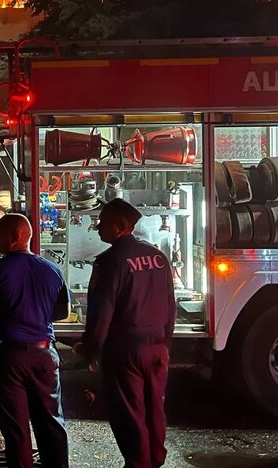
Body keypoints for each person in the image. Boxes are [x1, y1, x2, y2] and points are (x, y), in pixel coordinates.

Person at [74, 198, 176, 468]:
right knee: (155, 409)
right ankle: (154, 460)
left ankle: (138, 464)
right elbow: (170, 305)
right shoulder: (158, 257)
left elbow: (101, 312)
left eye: (102, 223)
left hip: (125, 351)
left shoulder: (110, 262)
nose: (97, 229)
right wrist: (165, 344)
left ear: (120, 227)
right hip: (157, 348)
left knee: (129, 413)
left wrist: (91, 349)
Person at [0, 213, 71, 468]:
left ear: (14, 238)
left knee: (17, 431)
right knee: (52, 425)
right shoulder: (52, 269)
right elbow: (64, 312)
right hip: (44, 356)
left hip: (7, 359)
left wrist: (2, 311)